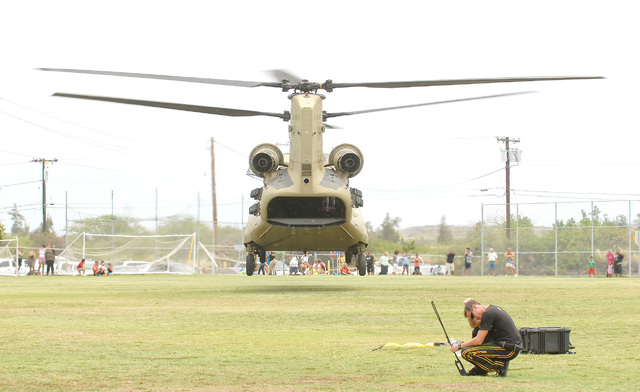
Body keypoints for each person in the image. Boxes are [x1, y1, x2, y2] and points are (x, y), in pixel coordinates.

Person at [450, 298, 522, 377]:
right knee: (476, 331)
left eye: (472, 316)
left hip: (508, 349)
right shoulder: (490, 311)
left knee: (466, 352)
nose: (474, 319)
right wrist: (467, 308)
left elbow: (478, 340)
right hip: (504, 345)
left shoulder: (488, 314)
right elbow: (473, 326)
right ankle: (481, 369)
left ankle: (500, 366)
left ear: (475, 307)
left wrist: (459, 346)